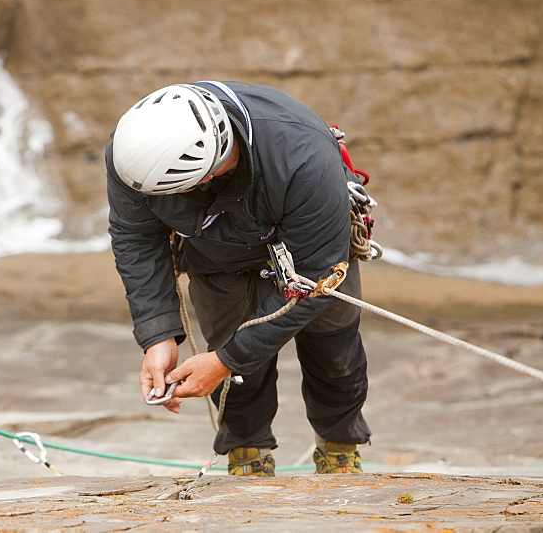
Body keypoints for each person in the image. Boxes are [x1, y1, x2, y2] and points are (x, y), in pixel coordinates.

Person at [106, 81, 372, 476]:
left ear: (202, 180)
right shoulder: (134, 153)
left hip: (314, 253)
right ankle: (247, 455)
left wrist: (226, 360)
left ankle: (340, 448)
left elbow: (314, 277)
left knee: (336, 356)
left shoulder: (305, 159)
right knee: (237, 376)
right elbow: (136, 238)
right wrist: (158, 334)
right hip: (217, 257)